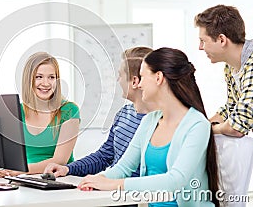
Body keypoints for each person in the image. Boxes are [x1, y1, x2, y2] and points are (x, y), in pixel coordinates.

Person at [78, 48, 219, 207]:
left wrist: (115, 184)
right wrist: (98, 179)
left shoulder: (198, 125)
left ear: (158, 77)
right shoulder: (150, 121)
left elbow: (175, 180)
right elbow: (123, 168)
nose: (140, 83)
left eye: (143, 76)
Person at [44, 46, 155, 178]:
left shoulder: (160, 121)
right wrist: (67, 169)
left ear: (135, 81)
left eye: (120, 75)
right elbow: (104, 157)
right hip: (113, 190)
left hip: (132, 194)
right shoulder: (124, 114)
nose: (118, 80)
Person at [0, 52, 80, 176]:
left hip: (59, 180)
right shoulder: (17, 111)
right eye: (39, 77)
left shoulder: (69, 111)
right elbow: (11, 156)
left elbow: (60, 160)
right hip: (25, 179)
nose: (46, 83)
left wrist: (21, 170)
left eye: (51, 77)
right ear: (29, 80)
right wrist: (6, 169)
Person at [194, 4, 253, 137]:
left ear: (221, 40)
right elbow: (232, 108)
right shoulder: (230, 67)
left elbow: (237, 127)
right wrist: (202, 126)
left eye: (203, 41)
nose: (200, 47)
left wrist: (209, 130)